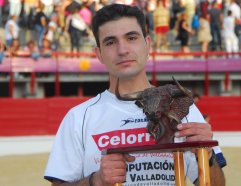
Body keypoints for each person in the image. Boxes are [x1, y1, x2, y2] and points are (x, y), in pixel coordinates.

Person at [44, 4, 226, 186]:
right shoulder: (78, 118)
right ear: (98, 54)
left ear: (147, 44)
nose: (123, 50)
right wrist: (96, 180)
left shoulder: (181, 107)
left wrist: (207, 155)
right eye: (110, 42)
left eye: (131, 38)